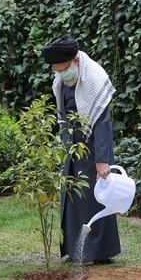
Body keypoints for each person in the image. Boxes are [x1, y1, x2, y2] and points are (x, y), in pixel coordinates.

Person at [41, 35, 121, 266]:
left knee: (92, 198)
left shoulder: (94, 76)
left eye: (63, 69)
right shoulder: (62, 78)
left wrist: (102, 160)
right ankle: (75, 250)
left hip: (94, 148)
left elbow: (102, 122)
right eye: (56, 70)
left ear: (75, 61)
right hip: (73, 147)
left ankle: (94, 252)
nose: (60, 74)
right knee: (73, 197)